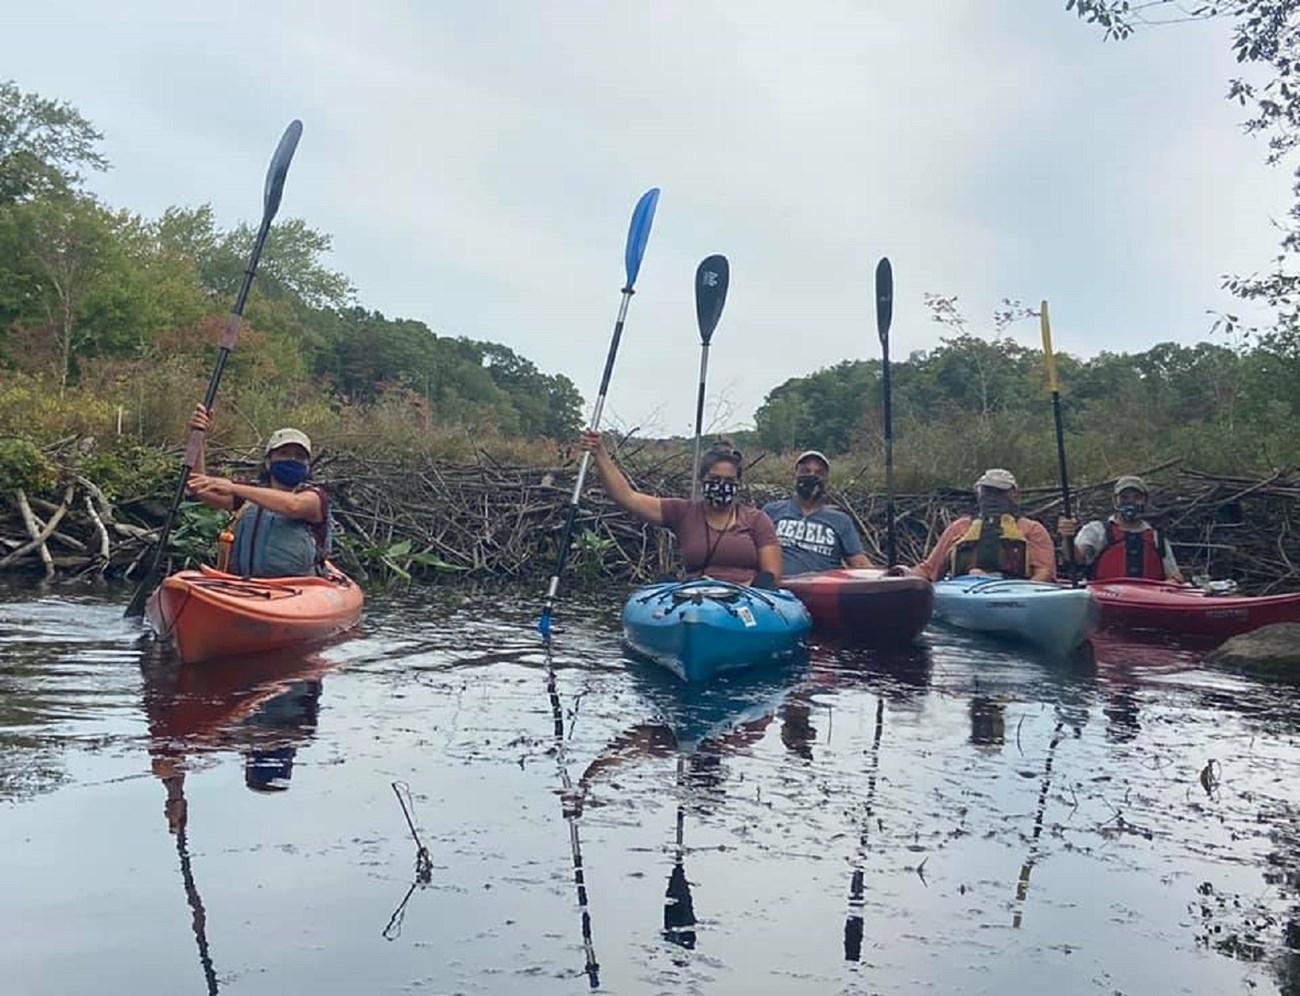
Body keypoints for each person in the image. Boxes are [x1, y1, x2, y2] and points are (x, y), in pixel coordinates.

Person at [578, 430, 783, 587]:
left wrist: (738, 588)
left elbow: (771, 576)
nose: (721, 485)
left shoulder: (756, 519)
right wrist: (600, 453)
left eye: (729, 480)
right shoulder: (683, 512)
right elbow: (627, 497)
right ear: (703, 479)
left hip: (746, 597)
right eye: (714, 479)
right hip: (696, 595)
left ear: (738, 483)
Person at [185, 404, 330, 577]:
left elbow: (293, 506)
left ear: (307, 466)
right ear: (269, 461)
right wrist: (197, 435)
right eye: (284, 453)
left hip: (296, 590)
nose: (292, 459)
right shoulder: (248, 497)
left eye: (299, 456)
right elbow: (197, 486)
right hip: (244, 586)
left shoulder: (315, 498)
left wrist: (232, 487)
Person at [909, 468, 1057, 582]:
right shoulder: (960, 527)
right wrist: (903, 579)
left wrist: (1023, 595)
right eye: (988, 491)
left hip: (1014, 589)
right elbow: (930, 570)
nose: (992, 497)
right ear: (979, 494)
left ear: (1013, 495)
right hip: (966, 589)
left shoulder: (1032, 530)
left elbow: (1045, 572)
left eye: (999, 492)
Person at [762, 450, 873, 575]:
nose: (812, 475)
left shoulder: (841, 520)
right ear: (795, 475)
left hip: (822, 589)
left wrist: (884, 579)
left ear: (826, 479)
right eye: (806, 471)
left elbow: (859, 563)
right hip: (777, 589)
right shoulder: (772, 511)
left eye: (819, 473)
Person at [1057, 475, 1184, 583]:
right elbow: (1075, 558)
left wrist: (1173, 581)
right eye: (1124, 497)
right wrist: (1067, 537)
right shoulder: (1097, 530)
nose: (1131, 502)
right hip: (1105, 601)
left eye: (1137, 497)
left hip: (1146, 603)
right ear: (1114, 500)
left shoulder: (1157, 539)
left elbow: (1174, 576)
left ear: (1145, 500)